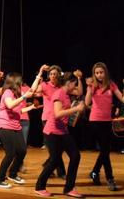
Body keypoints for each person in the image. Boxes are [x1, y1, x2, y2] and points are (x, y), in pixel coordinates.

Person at [35, 72, 85, 198]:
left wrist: (74, 112)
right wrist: (76, 109)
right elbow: (57, 114)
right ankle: (39, 187)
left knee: (75, 156)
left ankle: (69, 188)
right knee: (54, 160)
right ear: (68, 83)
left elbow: (78, 93)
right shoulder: (59, 94)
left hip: (63, 131)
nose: (74, 87)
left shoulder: (66, 94)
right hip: (52, 132)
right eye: (74, 84)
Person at [0, 72, 40, 188]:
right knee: (10, 153)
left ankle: (13, 174)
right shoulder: (7, 93)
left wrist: (39, 75)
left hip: (15, 125)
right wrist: (23, 97)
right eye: (19, 81)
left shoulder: (17, 93)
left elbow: (31, 92)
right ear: (15, 82)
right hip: (4, 126)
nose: (21, 83)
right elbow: (10, 105)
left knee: (22, 151)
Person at [85, 62, 124, 191]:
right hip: (95, 121)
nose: (99, 75)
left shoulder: (111, 84)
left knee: (105, 151)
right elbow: (86, 103)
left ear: (105, 73)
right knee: (105, 151)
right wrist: (90, 88)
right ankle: (110, 179)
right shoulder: (92, 85)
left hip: (107, 121)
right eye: (97, 73)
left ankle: (95, 172)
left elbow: (121, 98)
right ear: (94, 74)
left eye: (101, 72)